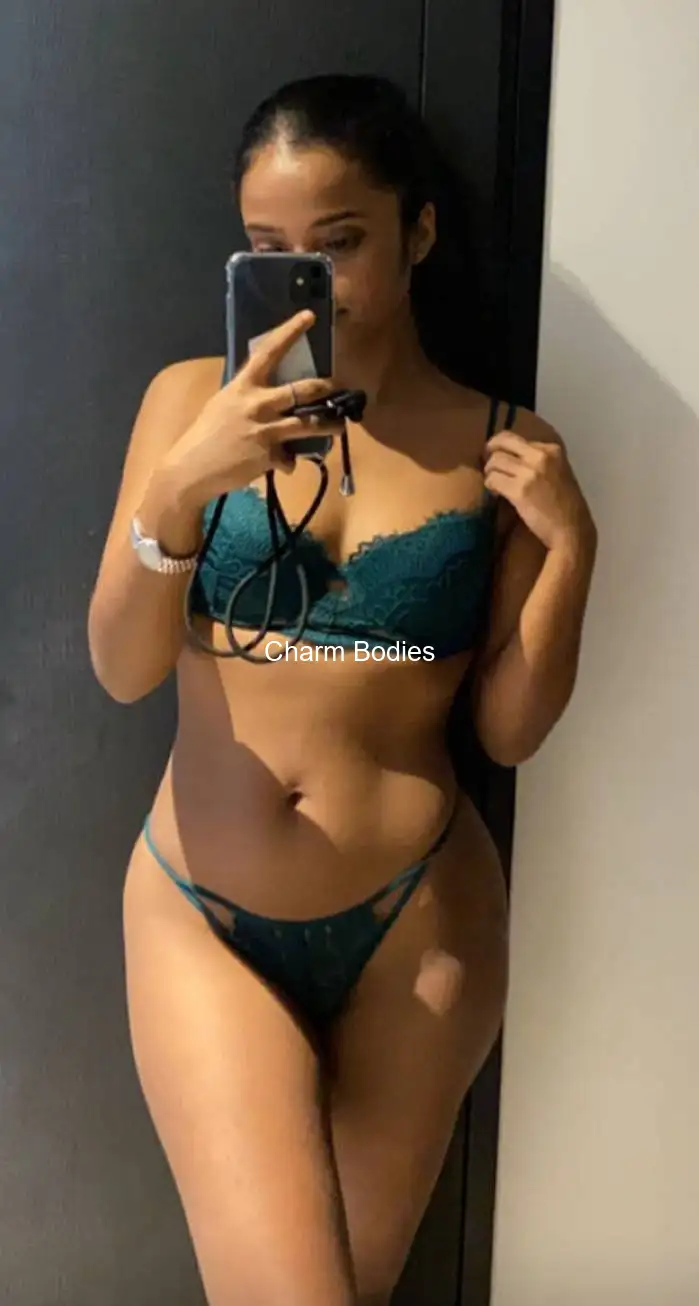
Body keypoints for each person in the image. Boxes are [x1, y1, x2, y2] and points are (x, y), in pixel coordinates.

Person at [87, 73, 597, 1306]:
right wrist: (183, 489)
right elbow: (122, 666)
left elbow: (509, 731)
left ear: (419, 232)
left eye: (340, 242)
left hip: (419, 930)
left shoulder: (504, 445)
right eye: (267, 251)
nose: (307, 280)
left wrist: (574, 548)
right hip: (203, 915)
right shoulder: (185, 404)